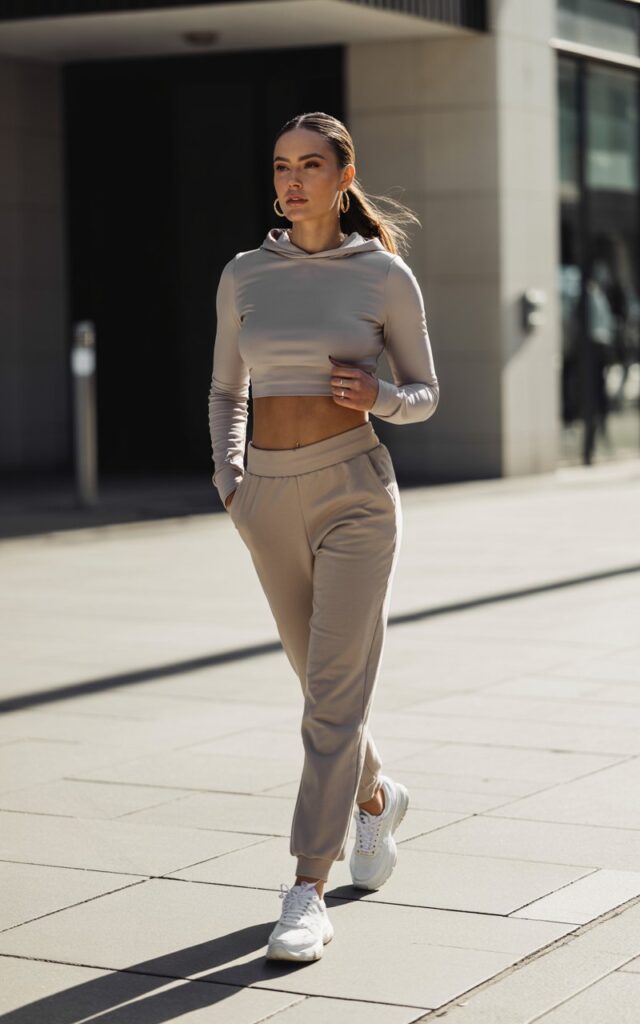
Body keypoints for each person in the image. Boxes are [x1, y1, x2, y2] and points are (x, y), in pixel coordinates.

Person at [208, 111, 440, 963]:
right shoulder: (243, 274)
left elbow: (425, 393)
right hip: (264, 497)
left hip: (354, 492)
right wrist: (230, 478)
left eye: (310, 165)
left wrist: (377, 396)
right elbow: (226, 390)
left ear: (345, 176)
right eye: (281, 166)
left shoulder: (384, 276)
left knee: (329, 702)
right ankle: (375, 798)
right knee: (321, 687)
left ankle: (305, 887)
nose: (292, 180)